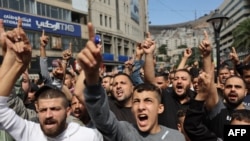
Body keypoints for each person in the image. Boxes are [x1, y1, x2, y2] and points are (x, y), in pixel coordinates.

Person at [77, 23, 185, 141]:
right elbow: (102, 117)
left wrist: (148, 54)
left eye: (148, 101)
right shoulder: (125, 132)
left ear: (160, 108)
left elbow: (150, 83)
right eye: (136, 101)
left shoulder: (176, 137)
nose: (141, 107)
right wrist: (91, 76)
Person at [0, 19, 102, 141]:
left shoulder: (88, 136)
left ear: (68, 111)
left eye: (55, 109)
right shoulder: (29, 131)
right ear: (37, 109)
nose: (48, 115)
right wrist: (13, 59)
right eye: (43, 110)